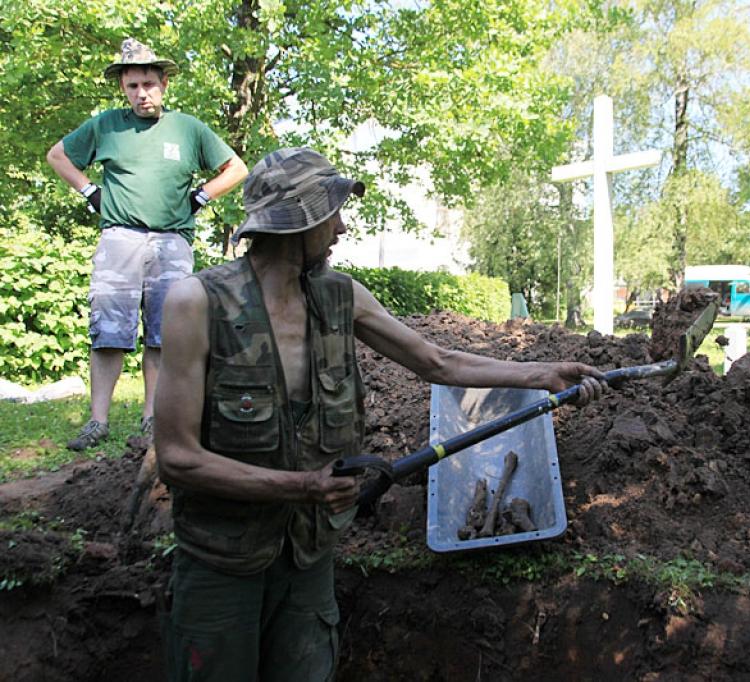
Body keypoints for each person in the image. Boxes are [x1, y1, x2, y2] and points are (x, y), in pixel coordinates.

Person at [153, 147, 607, 681]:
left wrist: (543, 374)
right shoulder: (197, 302)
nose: (342, 227)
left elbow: (436, 361)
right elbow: (178, 459)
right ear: (296, 222)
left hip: (307, 558)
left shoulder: (342, 296)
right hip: (219, 564)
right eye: (331, 213)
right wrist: (303, 486)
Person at [46, 38, 248, 451]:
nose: (142, 93)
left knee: (164, 333)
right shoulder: (106, 125)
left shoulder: (188, 129)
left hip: (173, 240)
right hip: (119, 238)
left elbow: (237, 167)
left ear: (164, 84)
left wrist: (201, 196)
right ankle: (97, 421)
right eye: (133, 85)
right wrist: (90, 193)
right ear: (123, 86)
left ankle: (151, 417)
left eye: (149, 84)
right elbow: (57, 156)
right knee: (108, 331)